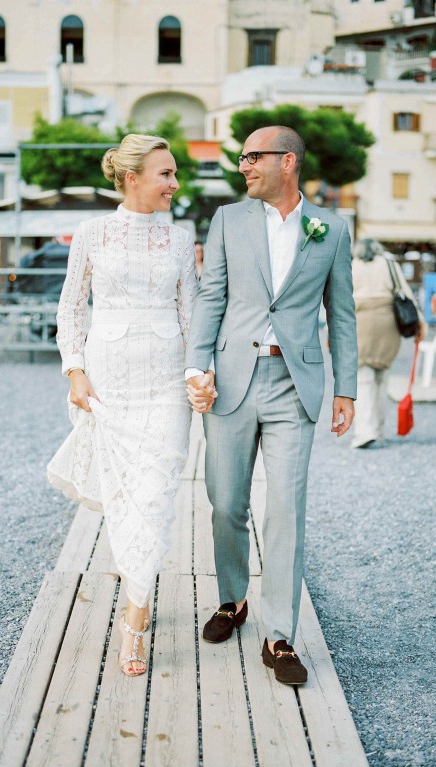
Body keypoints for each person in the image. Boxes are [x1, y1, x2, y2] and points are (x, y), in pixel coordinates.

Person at [185, 125, 357, 686]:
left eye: (252, 157)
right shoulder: (229, 220)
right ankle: (232, 600)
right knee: (227, 502)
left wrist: (346, 389)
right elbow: (212, 296)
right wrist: (197, 365)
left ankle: (279, 634)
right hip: (233, 380)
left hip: (295, 383)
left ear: (288, 162)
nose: (243, 166)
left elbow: (343, 312)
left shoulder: (330, 228)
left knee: (286, 507)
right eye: (240, 158)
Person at [47, 134, 197, 676]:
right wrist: (75, 371)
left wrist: (197, 374)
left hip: (165, 385)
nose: (174, 184)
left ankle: (133, 622)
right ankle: (141, 584)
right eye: (166, 174)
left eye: (174, 173)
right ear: (132, 177)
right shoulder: (90, 234)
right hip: (108, 384)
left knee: (155, 496)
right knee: (124, 496)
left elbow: (190, 314)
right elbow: (71, 308)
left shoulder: (182, 240)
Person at [351, 239, 424, 449]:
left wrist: (331, 331)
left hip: (360, 323)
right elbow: (407, 295)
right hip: (388, 323)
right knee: (382, 378)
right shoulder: (389, 264)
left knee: (363, 378)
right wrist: (420, 324)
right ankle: (379, 430)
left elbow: (339, 300)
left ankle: (365, 431)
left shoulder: (352, 265)